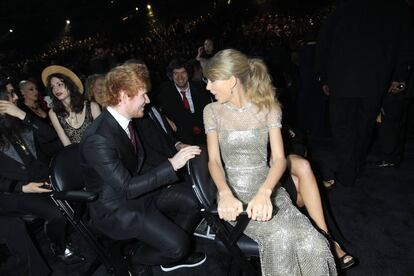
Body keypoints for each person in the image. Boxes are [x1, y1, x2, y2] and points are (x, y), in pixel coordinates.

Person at [203, 49, 336, 275]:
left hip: (269, 190)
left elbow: (279, 159)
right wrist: (225, 192)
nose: (208, 87)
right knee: (282, 238)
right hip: (235, 195)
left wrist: (266, 191)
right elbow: (214, 161)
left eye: (212, 80)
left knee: (314, 242)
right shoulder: (212, 111)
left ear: (232, 80)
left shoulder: (269, 108)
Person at [80, 64, 206, 274]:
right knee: (179, 246)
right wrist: (172, 165)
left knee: (195, 200)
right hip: (116, 209)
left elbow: (138, 164)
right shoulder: (98, 139)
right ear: (123, 96)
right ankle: (134, 256)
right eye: (143, 95)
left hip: (140, 193)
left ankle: (166, 244)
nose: (148, 101)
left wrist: (169, 173)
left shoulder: (124, 121)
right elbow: (126, 188)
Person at [316, 0, 414, 187]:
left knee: (343, 128)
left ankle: (348, 170)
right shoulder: (396, 10)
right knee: (364, 127)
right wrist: (400, 76)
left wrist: (323, 77)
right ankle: (353, 166)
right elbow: (406, 46)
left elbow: (324, 43)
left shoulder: (342, 8)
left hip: (342, 80)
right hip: (375, 80)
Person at [0, 73, 84, 268]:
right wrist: (22, 188)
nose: (15, 98)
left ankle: (57, 231)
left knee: (76, 195)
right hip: (14, 190)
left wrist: (23, 115)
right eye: (10, 94)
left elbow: (48, 137)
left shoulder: (18, 118)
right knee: (56, 210)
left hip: (42, 177)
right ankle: (59, 246)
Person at [157, 58, 212, 145]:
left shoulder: (201, 88)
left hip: (205, 138)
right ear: (171, 75)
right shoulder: (164, 93)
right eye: (176, 73)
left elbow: (209, 113)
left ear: (188, 73)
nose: (180, 77)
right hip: (182, 142)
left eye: (183, 72)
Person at [42, 65, 101, 146]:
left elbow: (103, 135)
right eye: (53, 87)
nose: (56, 89)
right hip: (77, 156)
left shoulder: (92, 106)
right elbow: (67, 145)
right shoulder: (54, 113)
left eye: (59, 84)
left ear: (70, 84)